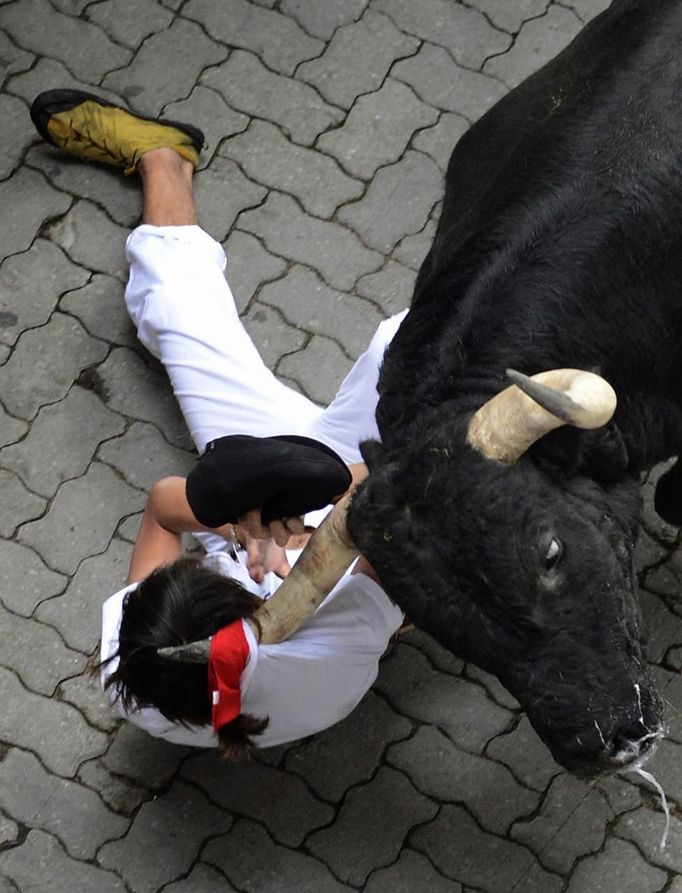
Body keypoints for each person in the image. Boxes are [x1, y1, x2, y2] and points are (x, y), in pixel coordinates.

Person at [30, 89, 408, 757]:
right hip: (376, 535)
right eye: (213, 574)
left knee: (175, 314)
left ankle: (163, 157)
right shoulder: (325, 671)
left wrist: (238, 515)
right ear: (255, 625)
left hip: (275, 493)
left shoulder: (136, 653)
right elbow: (404, 524)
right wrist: (327, 493)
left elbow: (161, 510)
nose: (214, 568)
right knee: (403, 346)